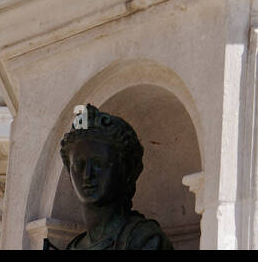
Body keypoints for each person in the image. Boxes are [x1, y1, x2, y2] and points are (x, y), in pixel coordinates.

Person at [54, 104, 173, 251]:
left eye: (99, 163)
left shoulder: (144, 239)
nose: (87, 174)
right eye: (79, 165)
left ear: (125, 172)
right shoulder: (72, 247)